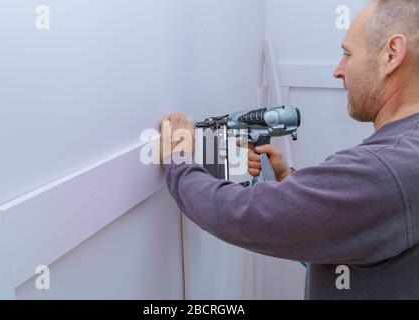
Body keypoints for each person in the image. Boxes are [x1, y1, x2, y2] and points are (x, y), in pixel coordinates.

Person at [160, 0, 419, 299]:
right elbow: (348, 230)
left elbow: (239, 216)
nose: (338, 70)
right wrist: (288, 181)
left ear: (392, 54)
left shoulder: (387, 169)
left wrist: (179, 158)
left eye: (348, 53)